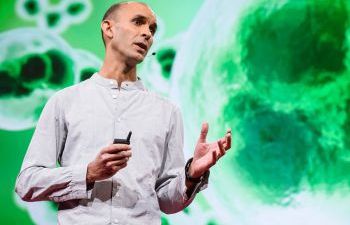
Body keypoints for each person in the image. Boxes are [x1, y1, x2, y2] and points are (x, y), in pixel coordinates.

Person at [15, 1, 232, 224]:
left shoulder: (167, 112)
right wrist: (88, 173)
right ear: (108, 28)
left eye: (152, 29)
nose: (147, 33)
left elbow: (167, 203)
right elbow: (27, 183)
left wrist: (191, 175)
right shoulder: (64, 102)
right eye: (138, 22)